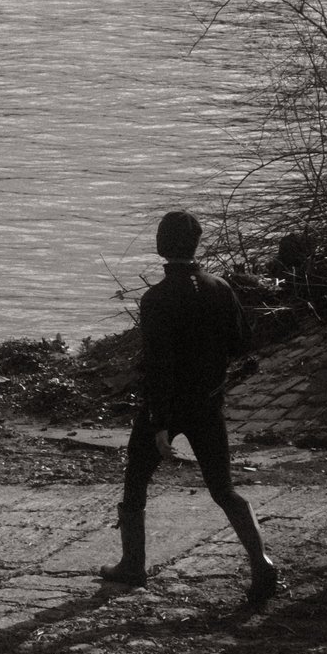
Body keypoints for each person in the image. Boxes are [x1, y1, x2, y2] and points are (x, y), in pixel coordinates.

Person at [101, 211, 280, 604]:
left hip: (166, 405)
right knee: (223, 488)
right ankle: (261, 559)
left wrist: (160, 423)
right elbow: (240, 345)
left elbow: (159, 365)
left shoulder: (156, 299)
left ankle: (133, 565)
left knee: (136, 481)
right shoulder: (221, 288)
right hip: (208, 401)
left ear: (162, 246)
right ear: (196, 245)